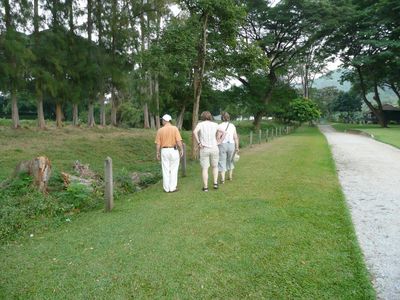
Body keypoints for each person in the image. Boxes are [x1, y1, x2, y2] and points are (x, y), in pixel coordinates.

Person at [193, 111, 224, 192]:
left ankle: (206, 187)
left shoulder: (200, 124)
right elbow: (224, 132)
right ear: (210, 117)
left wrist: (199, 142)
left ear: (202, 117)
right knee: (215, 166)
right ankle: (215, 183)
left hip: (204, 148)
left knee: (205, 168)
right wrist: (220, 141)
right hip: (214, 147)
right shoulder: (215, 124)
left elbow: (195, 132)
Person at [155, 114, 183, 193]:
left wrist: (157, 152)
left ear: (164, 120)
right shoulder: (175, 128)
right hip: (173, 150)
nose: (162, 121)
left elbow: (158, 144)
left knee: (165, 169)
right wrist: (181, 149)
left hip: (164, 150)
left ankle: (166, 188)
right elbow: (178, 141)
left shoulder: (160, 130)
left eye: (162, 120)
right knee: (174, 169)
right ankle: (172, 187)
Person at [217, 112, 239, 183]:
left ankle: (222, 179)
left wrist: (217, 143)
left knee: (221, 160)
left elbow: (218, 137)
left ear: (222, 118)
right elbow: (235, 137)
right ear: (228, 117)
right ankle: (230, 176)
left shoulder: (219, 126)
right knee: (230, 160)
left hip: (222, 145)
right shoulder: (232, 126)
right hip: (231, 145)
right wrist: (237, 146)